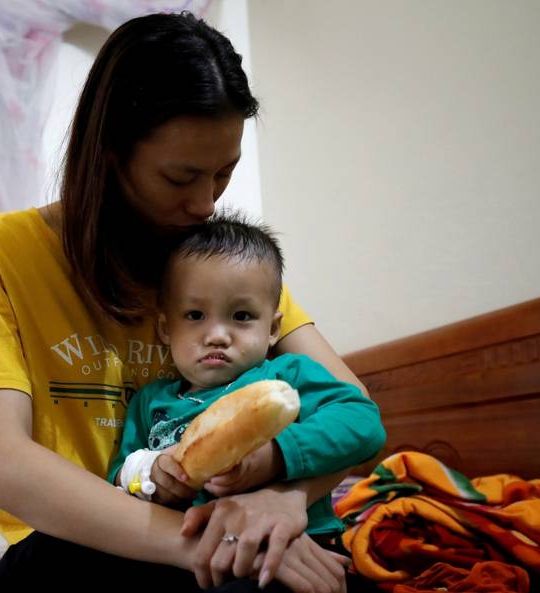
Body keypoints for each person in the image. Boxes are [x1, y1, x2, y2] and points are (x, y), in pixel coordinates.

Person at [0, 11, 372, 593]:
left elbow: (354, 406)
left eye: (224, 174)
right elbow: (1, 464)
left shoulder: (218, 269)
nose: (206, 203)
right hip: (94, 538)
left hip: (237, 514)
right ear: (109, 152)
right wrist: (217, 539)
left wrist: (283, 501)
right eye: (181, 177)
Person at [109, 214, 386, 547]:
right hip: (188, 550)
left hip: (297, 543)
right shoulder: (151, 401)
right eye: (195, 316)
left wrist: (275, 456)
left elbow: (363, 421)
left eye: (241, 317)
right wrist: (149, 472)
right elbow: (119, 473)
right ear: (166, 329)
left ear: (272, 330)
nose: (217, 335)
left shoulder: (286, 374)